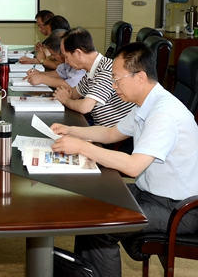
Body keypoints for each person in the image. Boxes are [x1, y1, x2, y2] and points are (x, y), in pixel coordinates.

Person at [50, 42, 198, 277]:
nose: (113, 85)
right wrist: (71, 131)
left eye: (117, 79)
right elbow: (111, 133)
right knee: (90, 203)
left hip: (178, 208)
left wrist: (82, 147)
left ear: (140, 77)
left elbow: (133, 166)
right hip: (151, 193)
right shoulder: (146, 103)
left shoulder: (164, 113)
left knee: (102, 225)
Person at [55, 27, 135, 127]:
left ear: (78, 53)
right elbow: (74, 93)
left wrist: (65, 100)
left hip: (116, 133)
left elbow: (85, 107)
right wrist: (64, 94)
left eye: (66, 57)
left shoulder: (107, 70)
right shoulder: (91, 70)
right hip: (101, 129)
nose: (66, 61)